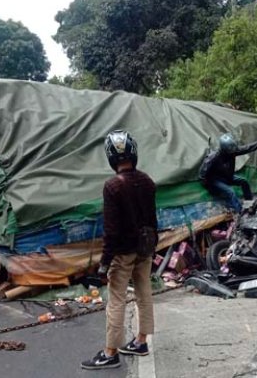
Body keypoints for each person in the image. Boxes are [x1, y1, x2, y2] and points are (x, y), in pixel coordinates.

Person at [81, 130, 158, 370]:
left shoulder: (112, 186)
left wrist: (103, 264)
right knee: (144, 295)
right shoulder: (147, 181)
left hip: (123, 253)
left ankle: (110, 353)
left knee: (116, 301)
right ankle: (141, 342)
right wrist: (153, 247)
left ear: (110, 157)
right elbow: (153, 220)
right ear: (134, 152)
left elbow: (111, 231)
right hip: (145, 249)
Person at [198, 133, 257, 213]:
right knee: (230, 192)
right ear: (225, 149)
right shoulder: (213, 157)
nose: (234, 151)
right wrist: (208, 185)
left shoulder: (232, 152)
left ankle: (249, 204)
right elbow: (202, 173)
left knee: (244, 182)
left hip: (227, 177)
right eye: (231, 149)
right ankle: (240, 212)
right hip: (215, 180)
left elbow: (249, 148)